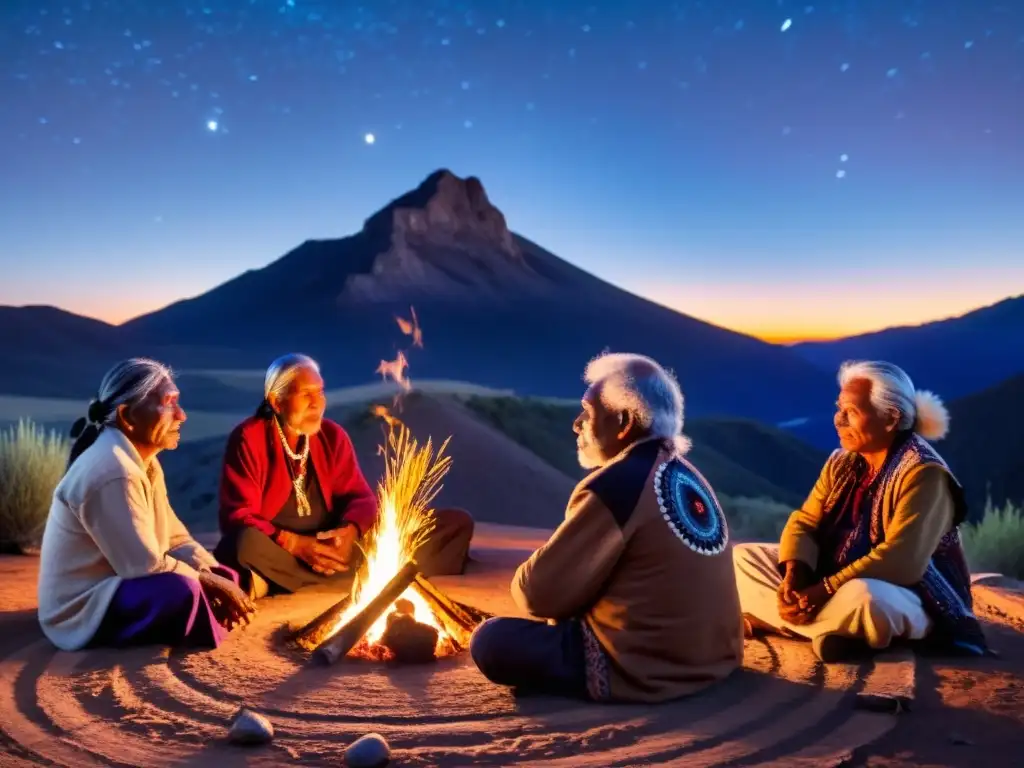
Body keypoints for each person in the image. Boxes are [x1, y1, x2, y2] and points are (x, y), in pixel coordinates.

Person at [470, 352, 744, 703]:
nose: (577, 423)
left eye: (588, 411)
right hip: (714, 658)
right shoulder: (688, 474)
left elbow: (537, 594)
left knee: (492, 640)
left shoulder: (617, 486)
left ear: (624, 421)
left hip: (648, 668)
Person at [733, 360, 988, 662]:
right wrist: (795, 577)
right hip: (832, 581)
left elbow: (901, 560)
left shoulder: (923, 473)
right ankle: (833, 632)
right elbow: (804, 523)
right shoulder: (841, 462)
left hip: (906, 593)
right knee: (744, 558)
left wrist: (822, 590)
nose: (838, 420)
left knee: (869, 601)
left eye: (851, 412)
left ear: (891, 418)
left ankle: (796, 622)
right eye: (838, 409)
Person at [37, 358, 255, 652]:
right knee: (182, 591)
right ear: (127, 416)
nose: (182, 415)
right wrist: (209, 583)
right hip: (84, 607)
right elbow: (145, 565)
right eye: (169, 403)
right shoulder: (114, 471)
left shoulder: (144, 463)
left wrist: (213, 572)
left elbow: (176, 538)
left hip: (121, 582)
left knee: (222, 574)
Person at [213, 353, 475, 597]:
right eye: (306, 394)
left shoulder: (332, 435)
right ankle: (356, 576)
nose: (317, 403)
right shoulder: (250, 437)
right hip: (283, 551)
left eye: (321, 392)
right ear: (276, 401)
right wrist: (295, 544)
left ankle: (281, 582)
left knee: (453, 524)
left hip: (334, 550)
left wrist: (350, 532)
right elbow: (238, 515)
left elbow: (360, 498)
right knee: (243, 544)